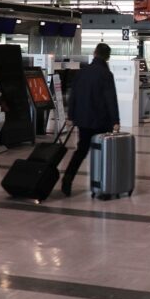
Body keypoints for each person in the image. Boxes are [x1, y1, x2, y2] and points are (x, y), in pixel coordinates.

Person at [62, 43, 120, 196]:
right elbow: (110, 99)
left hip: (84, 120)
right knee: (103, 152)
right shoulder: (106, 74)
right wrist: (116, 120)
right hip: (101, 121)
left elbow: (73, 95)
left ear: (95, 53)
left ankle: (67, 180)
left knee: (81, 150)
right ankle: (102, 184)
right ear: (107, 57)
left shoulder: (82, 72)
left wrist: (71, 115)